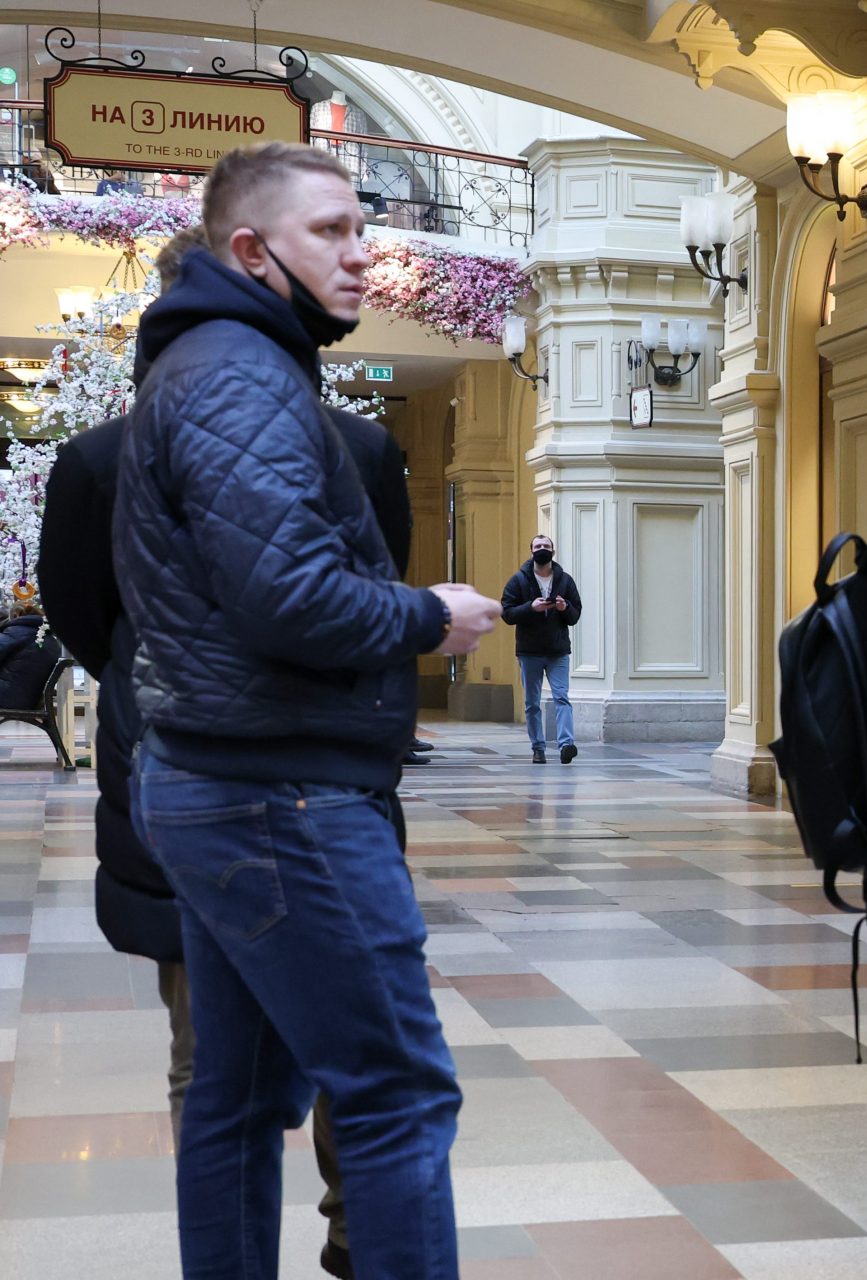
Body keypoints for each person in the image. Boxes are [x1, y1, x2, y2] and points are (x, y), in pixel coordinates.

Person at [114, 142, 500, 1280]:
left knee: (235, 1095)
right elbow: (286, 596)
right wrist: (426, 613)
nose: (362, 251)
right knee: (397, 1092)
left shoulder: (215, 360)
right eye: (330, 230)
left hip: (225, 783)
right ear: (251, 249)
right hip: (278, 795)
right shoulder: (237, 370)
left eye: (359, 227)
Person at [42, 221, 424, 1280]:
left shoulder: (101, 455)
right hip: (323, 780)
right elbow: (378, 601)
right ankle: (363, 1241)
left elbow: (86, 622)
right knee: (369, 1044)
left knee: (207, 1058)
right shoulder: (358, 447)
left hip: (181, 776)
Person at [500, 533, 581, 763]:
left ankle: (567, 745)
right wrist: (530, 607)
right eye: (538, 546)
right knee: (532, 702)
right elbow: (506, 612)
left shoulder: (565, 580)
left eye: (546, 546)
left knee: (561, 697)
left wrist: (565, 607)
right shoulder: (519, 580)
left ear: (552, 552)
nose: (542, 549)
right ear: (531, 551)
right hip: (529, 651)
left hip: (558, 651)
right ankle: (538, 747)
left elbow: (575, 615)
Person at [0, 600, 59, 710]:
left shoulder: (17, 632)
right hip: (31, 699)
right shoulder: (51, 640)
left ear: (16, 615)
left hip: (8, 697)